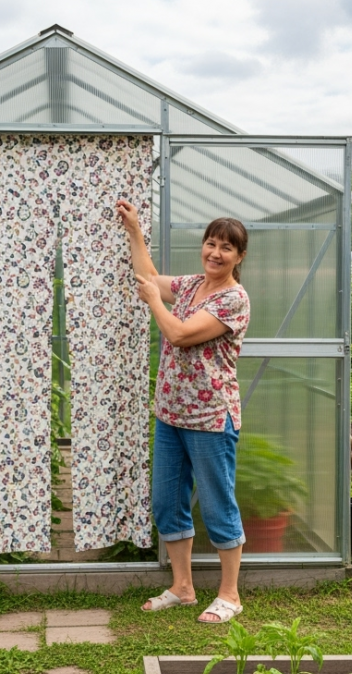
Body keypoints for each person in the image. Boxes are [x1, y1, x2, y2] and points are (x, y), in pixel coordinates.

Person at [116, 199, 251, 624]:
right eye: (211, 243)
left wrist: (155, 301)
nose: (215, 253)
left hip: (211, 417)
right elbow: (150, 277)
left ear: (239, 256)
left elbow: (178, 334)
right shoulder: (194, 286)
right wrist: (135, 231)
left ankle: (230, 595)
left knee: (217, 503)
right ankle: (183, 587)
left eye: (226, 248)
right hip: (171, 412)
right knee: (167, 501)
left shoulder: (234, 299)